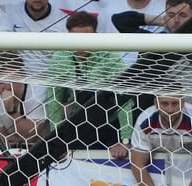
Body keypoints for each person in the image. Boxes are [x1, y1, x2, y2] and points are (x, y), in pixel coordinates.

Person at [44, 11, 131, 156]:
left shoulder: (110, 57)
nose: (80, 45)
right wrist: (57, 139)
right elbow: (54, 101)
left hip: (110, 124)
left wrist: (125, 139)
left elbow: (125, 101)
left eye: (85, 38)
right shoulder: (60, 58)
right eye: (75, 39)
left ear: (95, 36)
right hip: (78, 123)